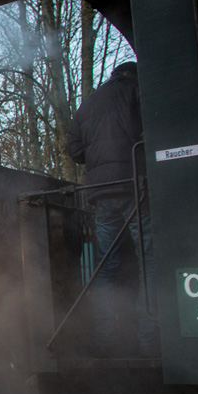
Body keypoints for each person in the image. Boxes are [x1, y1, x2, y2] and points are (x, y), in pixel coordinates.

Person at [67, 62, 159, 357]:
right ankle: (150, 340)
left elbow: (74, 150)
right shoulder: (137, 91)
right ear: (133, 75)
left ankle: (104, 340)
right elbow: (155, 130)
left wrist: (98, 157)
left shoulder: (88, 103)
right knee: (149, 263)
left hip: (100, 193)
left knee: (105, 267)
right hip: (133, 185)